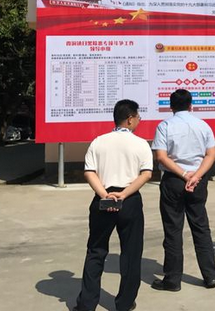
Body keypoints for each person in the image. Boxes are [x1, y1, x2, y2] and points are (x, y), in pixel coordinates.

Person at [73, 100, 153, 311]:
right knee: (131, 253)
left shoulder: (98, 142)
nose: (139, 121)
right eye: (138, 117)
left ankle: (87, 304)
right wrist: (124, 194)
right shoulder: (141, 144)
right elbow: (146, 174)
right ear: (130, 119)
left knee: (96, 250)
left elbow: (89, 172)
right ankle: (124, 303)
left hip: (102, 199)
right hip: (130, 200)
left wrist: (105, 195)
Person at [151, 89, 215, 292]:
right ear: (191, 106)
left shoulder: (165, 126)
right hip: (198, 180)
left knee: (173, 230)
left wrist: (183, 174)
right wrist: (196, 176)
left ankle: (172, 280)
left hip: (174, 180)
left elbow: (161, 157)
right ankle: (210, 276)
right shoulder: (202, 125)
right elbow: (211, 154)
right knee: (201, 227)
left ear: (171, 106)